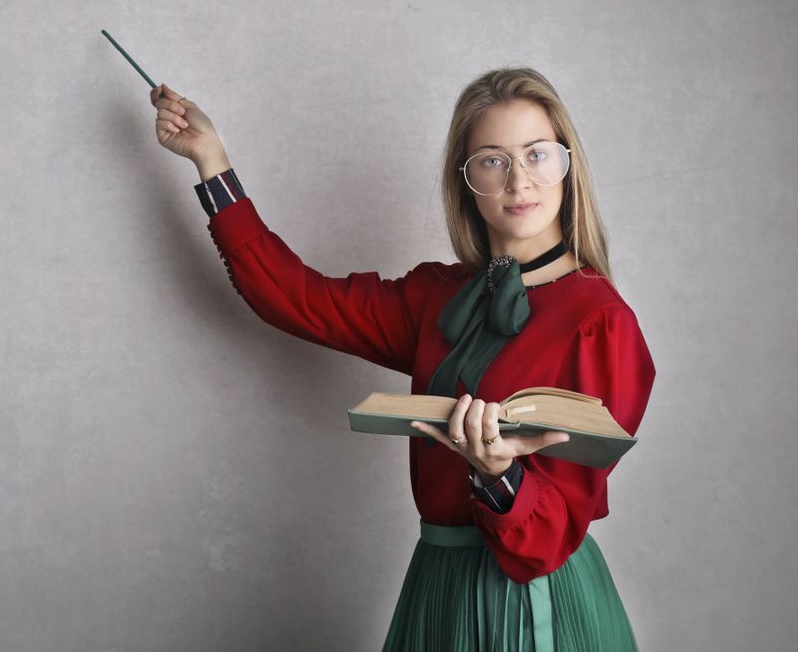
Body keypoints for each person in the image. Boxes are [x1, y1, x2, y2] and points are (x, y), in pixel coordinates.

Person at [149, 67, 655, 651]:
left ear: (568, 166)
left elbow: (549, 538)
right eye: (492, 160)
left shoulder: (600, 321)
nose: (519, 180)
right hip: (436, 587)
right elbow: (294, 298)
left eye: (537, 154)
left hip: (530, 601)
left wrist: (500, 476)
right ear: (466, 182)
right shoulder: (436, 297)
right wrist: (212, 162)